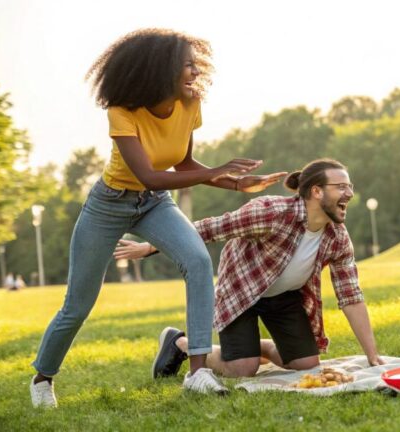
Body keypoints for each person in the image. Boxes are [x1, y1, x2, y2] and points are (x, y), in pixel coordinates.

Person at [30, 28, 286, 408]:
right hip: (109, 204)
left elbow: (182, 164)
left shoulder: (190, 103)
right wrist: (218, 170)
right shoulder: (122, 111)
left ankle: (198, 371)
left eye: (195, 64)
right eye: (186, 65)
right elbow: (149, 172)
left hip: (154, 203)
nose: (195, 72)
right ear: (159, 69)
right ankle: (42, 378)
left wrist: (235, 184)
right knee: (78, 304)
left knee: (198, 262)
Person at [115, 159, 384, 379]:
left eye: (350, 186)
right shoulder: (271, 212)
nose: (349, 193)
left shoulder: (337, 237)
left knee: (307, 364)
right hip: (242, 291)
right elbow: (211, 228)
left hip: (284, 296)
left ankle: (259, 348)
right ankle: (179, 343)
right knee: (242, 369)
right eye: (341, 186)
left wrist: (372, 355)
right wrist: (148, 246)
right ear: (316, 191)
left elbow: (351, 296)